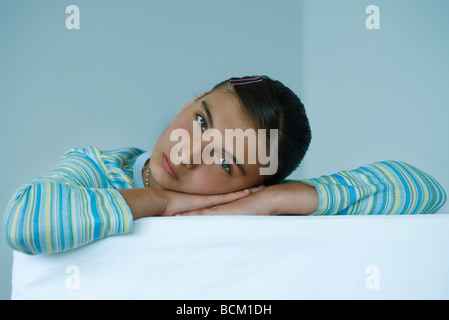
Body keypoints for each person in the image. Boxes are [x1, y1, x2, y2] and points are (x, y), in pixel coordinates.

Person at [3, 76, 446, 255]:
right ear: (190, 100)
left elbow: (423, 190)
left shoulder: (255, 203)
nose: (187, 152)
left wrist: (267, 204)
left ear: (252, 184)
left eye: (225, 160)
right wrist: (157, 201)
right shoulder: (96, 167)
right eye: (200, 121)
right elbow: (24, 222)